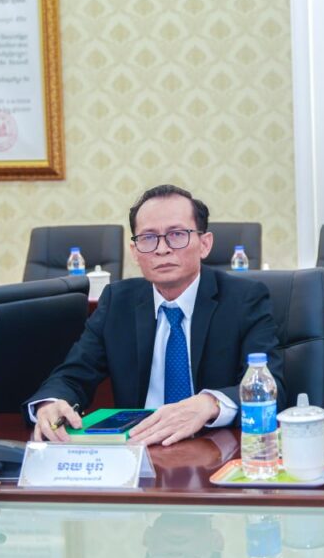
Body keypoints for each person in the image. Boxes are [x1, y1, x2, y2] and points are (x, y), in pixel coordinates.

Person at [24, 184, 286, 445]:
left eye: (177, 235)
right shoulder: (118, 302)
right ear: (135, 251)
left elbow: (271, 387)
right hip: (138, 448)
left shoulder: (244, 299)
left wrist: (211, 403)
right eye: (148, 238)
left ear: (204, 244)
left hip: (216, 445)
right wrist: (51, 403)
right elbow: (73, 374)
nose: (162, 249)